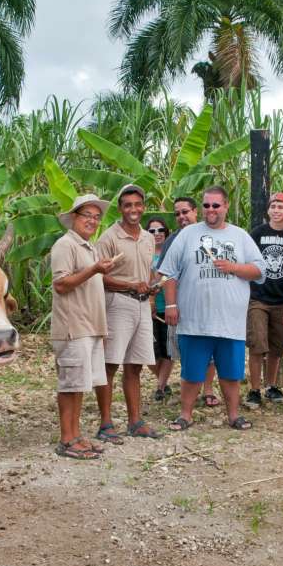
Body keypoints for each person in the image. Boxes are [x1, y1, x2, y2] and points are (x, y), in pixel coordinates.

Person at [158, 186, 265, 431]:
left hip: (231, 321)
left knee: (231, 372)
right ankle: (185, 415)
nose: (211, 210)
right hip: (195, 319)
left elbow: (260, 270)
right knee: (192, 372)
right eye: (206, 205)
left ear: (226, 206)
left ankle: (234, 416)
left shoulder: (240, 236)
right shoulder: (187, 235)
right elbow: (169, 273)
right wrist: (171, 305)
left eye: (216, 205)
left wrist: (234, 267)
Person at [50, 194, 116, 460]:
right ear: (74, 218)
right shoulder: (65, 245)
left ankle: (75, 435)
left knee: (80, 384)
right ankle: (66, 439)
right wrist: (94, 270)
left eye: (96, 216)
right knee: (70, 384)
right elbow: (61, 284)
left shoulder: (89, 247)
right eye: (87, 215)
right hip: (72, 326)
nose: (92, 220)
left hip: (90, 326)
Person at [95, 184, 162, 441]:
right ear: (121, 209)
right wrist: (130, 285)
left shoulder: (146, 238)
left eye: (137, 204)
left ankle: (136, 421)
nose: (133, 209)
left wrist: (151, 288)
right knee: (110, 364)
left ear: (143, 207)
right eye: (127, 205)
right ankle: (106, 424)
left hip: (142, 305)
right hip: (117, 303)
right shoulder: (109, 238)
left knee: (135, 366)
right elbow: (98, 277)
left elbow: (146, 274)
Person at [161, 196, 220, 407]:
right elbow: (166, 274)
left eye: (185, 212)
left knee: (212, 348)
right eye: (177, 214)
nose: (181, 217)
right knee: (185, 349)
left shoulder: (213, 235)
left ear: (195, 211)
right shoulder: (173, 240)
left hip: (212, 303)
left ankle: (209, 388)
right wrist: (170, 304)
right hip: (182, 304)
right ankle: (189, 392)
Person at [244, 192, 283, 409]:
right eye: (273, 206)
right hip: (258, 297)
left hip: (282, 299)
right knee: (257, 344)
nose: (276, 210)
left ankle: (272, 386)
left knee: (277, 346)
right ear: (268, 210)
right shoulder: (257, 233)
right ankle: (254, 389)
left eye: (281, 207)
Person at [148, 216, 174, 401]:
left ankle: (161, 386)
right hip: (148, 307)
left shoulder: (173, 252)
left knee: (168, 350)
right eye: (152, 231)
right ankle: (162, 380)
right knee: (149, 352)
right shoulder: (143, 253)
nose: (157, 234)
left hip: (168, 306)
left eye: (160, 230)